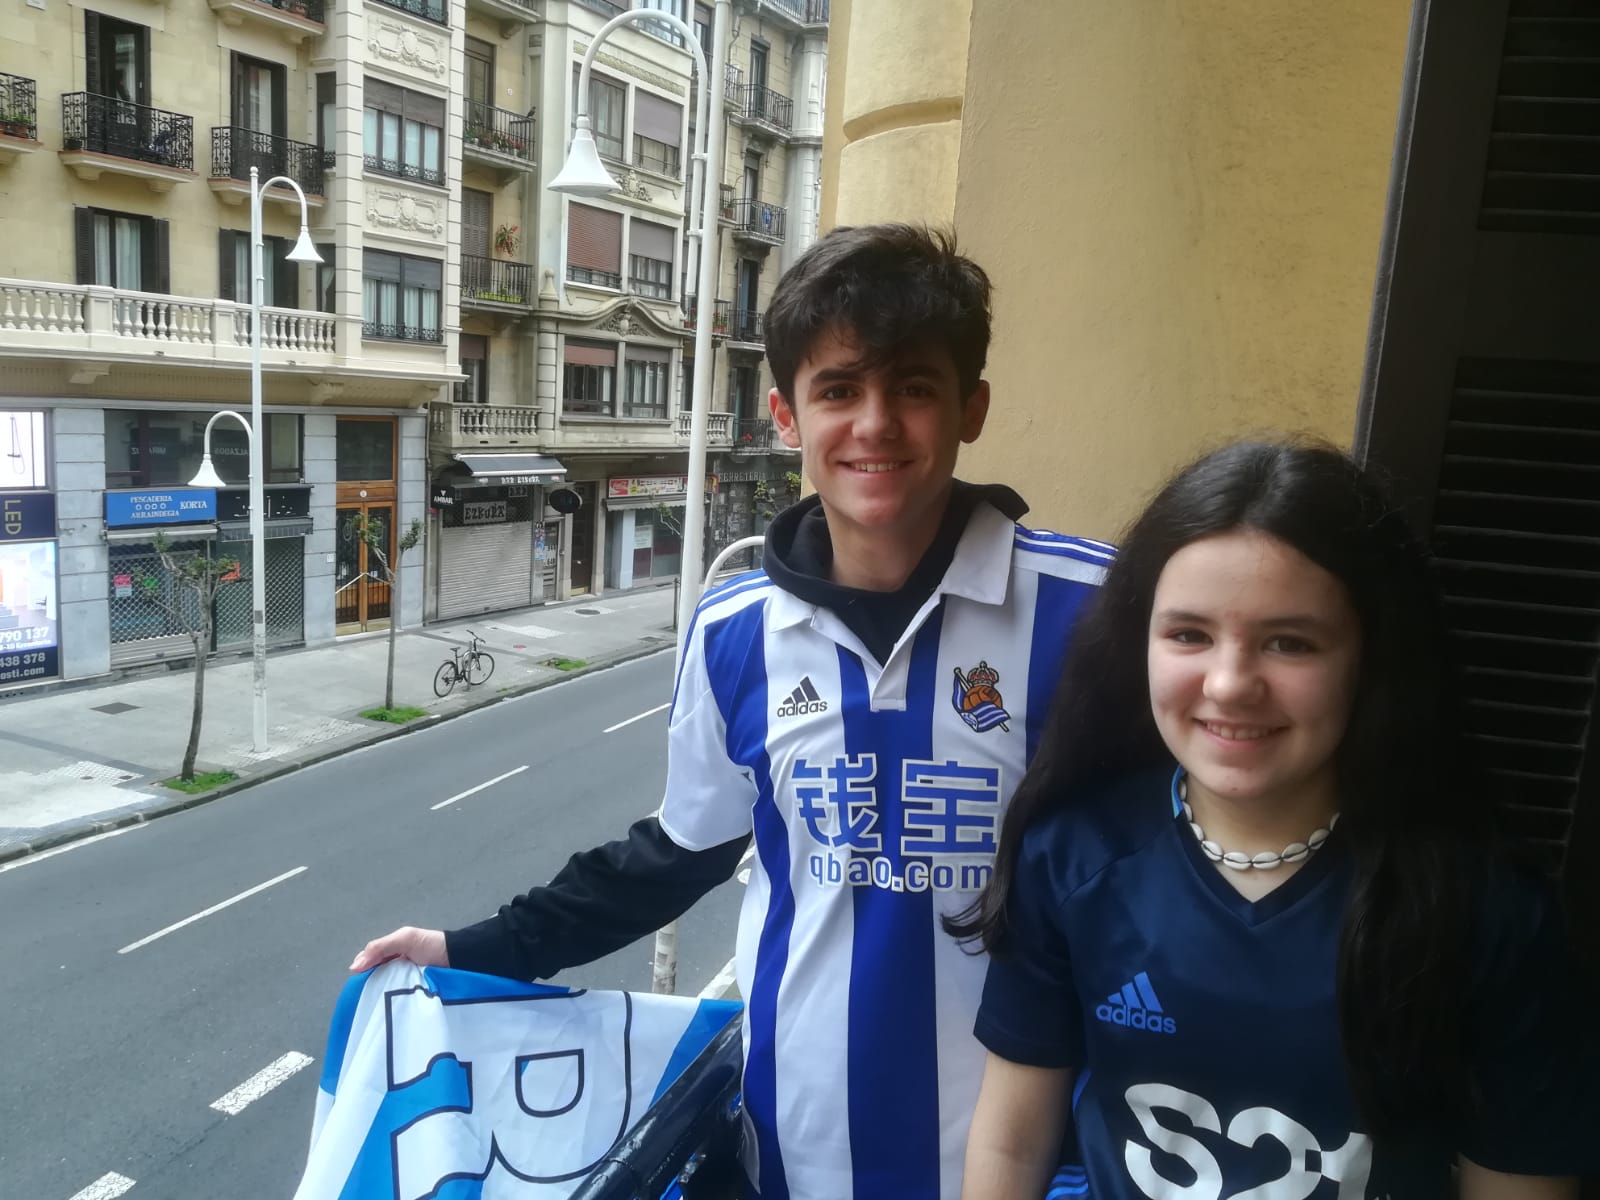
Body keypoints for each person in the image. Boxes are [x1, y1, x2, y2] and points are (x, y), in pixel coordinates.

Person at [350, 224, 1113, 1199]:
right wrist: (472, 950)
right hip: (791, 1153)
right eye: (838, 390)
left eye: (914, 388)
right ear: (787, 415)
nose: (874, 424)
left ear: (972, 407)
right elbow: (676, 854)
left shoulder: (1090, 614)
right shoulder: (733, 631)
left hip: (1033, 1165)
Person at [954, 440, 1595, 1199]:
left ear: (1372, 657)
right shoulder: (1071, 856)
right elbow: (1012, 1144)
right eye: (1189, 634)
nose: (1230, 684)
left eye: (1290, 642)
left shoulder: (1487, 910)